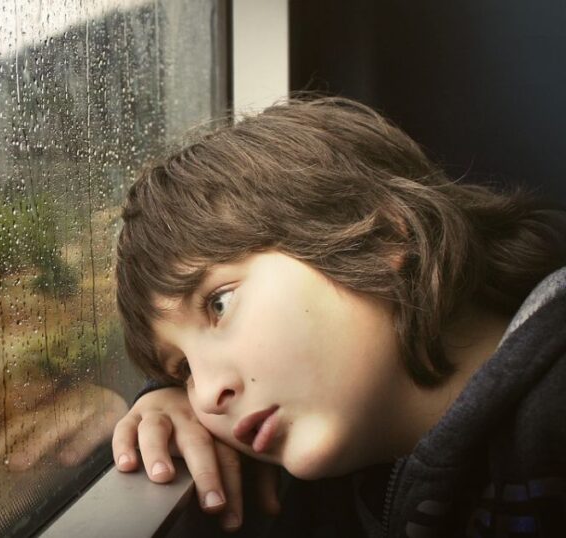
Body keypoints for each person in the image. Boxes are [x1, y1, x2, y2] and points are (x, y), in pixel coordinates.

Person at [110, 96, 566, 536]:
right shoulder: (345, 470)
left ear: (380, 234)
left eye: (219, 304)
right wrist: (165, 403)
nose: (207, 395)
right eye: (184, 368)